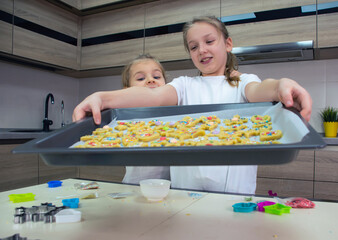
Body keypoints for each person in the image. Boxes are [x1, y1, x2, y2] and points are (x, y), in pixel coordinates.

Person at [73, 16, 312, 194]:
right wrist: (103, 98)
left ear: (228, 44)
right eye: (194, 47)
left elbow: (262, 90)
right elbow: (153, 97)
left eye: (209, 41)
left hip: (234, 195)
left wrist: (282, 84)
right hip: (183, 194)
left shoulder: (242, 83)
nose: (202, 50)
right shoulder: (184, 85)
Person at [121, 54, 170, 184]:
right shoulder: (124, 122)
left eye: (156, 76)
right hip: (132, 189)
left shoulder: (174, 119)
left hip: (168, 190)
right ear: (127, 90)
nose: (150, 80)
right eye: (141, 78)